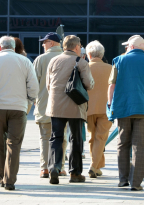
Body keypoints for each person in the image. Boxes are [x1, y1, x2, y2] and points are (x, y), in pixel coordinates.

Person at [107, 35, 144, 191]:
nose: (126, 48)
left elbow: (111, 86)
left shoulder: (119, 60)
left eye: (127, 46)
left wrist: (110, 104)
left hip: (123, 108)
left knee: (122, 144)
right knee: (140, 147)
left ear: (132, 47)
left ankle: (122, 180)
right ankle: (136, 183)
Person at [0, 36, 38, 191]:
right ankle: (10, 180)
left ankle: (1, 177)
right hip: (18, 108)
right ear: (13, 47)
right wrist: (29, 102)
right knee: (14, 144)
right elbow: (33, 86)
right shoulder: (25, 61)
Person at [46, 35, 94, 185]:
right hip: (75, 104)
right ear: (77, 47)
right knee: (76, 138)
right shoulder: (81, 62)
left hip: (56, 105)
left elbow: (48, 84)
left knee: (56, 137)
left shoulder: (53, 60)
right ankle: (75, 173)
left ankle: (54, 167)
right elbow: (88, 84)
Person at [33, 32, 68, 178]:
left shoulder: (40, 59)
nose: (42, 44)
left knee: (45, 137)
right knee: (62, 137)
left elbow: (33, 83)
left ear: (52, 43)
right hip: (65, 105)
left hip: (45, 105)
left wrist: (34, 100)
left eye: (44, 42)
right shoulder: (69, 58)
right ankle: (59, 167)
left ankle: (45, 168)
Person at [85, 40, 112, 178]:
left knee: (92, 137)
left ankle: (96, 166)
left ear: (89, 54)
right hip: (106, 108)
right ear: (102, 54)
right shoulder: (111, 68)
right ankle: (94, 166)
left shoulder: (84, 67)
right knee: (100, 137)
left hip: (88, 108)